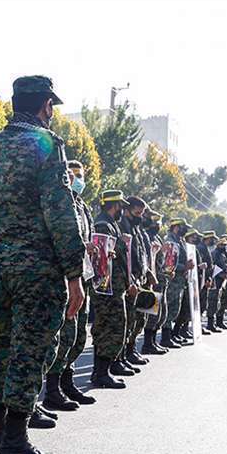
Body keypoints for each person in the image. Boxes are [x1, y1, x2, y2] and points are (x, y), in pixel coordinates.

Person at [0, 75, 84, 454]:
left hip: (0, 269)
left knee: (2, 346)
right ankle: (16, 442)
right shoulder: (45, 144)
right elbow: (60, 212)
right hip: (36, 269)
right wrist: (75, 272)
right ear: (45, 106)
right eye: (51, 106)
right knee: (31, 349)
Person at [42, 160, 95, 411]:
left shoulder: (82, 206)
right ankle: (52, 390)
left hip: (82, 274)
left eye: (80, 175)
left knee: (78, 335)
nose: (77, 179)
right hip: (65, 277)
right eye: (72, 175)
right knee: (64, 335)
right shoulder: (60, 202)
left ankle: (67, 382)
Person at [89, 190, 133, 388]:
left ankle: (102, 371)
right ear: (114, 205)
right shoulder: (103, 225)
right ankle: (101, 373)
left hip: (113, 287)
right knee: (109, 327)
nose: (122, 211)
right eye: (121, 207)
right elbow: (100, 257)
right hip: (106, 288)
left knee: (113, 326)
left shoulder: (111, 225)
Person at [119, 196, 151, 368]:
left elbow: (141, 254)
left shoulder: (137, 228)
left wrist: (149, 273)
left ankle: (130, 352)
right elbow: (125, 257)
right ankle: (122, 356)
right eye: (138, 212)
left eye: (142, 213)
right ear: (128, 210)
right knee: (128, 320)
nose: (141, 215)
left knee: (139, 318)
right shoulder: (122, 225)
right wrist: (131, 280)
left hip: (141, 278)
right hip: (129, 281)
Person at [159, 218, 194, 347]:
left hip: (179, 280)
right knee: (169, 308)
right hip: (172, 280)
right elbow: (169, 263)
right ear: (176, 227)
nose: (186, 230)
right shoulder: (170, 240)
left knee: (175, 309)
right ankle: (166, 338)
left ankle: (172, 335)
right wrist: (184, 266)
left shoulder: (180, 241)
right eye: (184, 227)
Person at [141, 210, 171, 353]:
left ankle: (152, 342)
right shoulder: (146, 236)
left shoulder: (156, 237)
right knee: (152, 314)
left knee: (160, 313)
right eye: (156, 222)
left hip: (160, 279)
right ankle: (147, 344)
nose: (158, 225)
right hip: (153, 281)